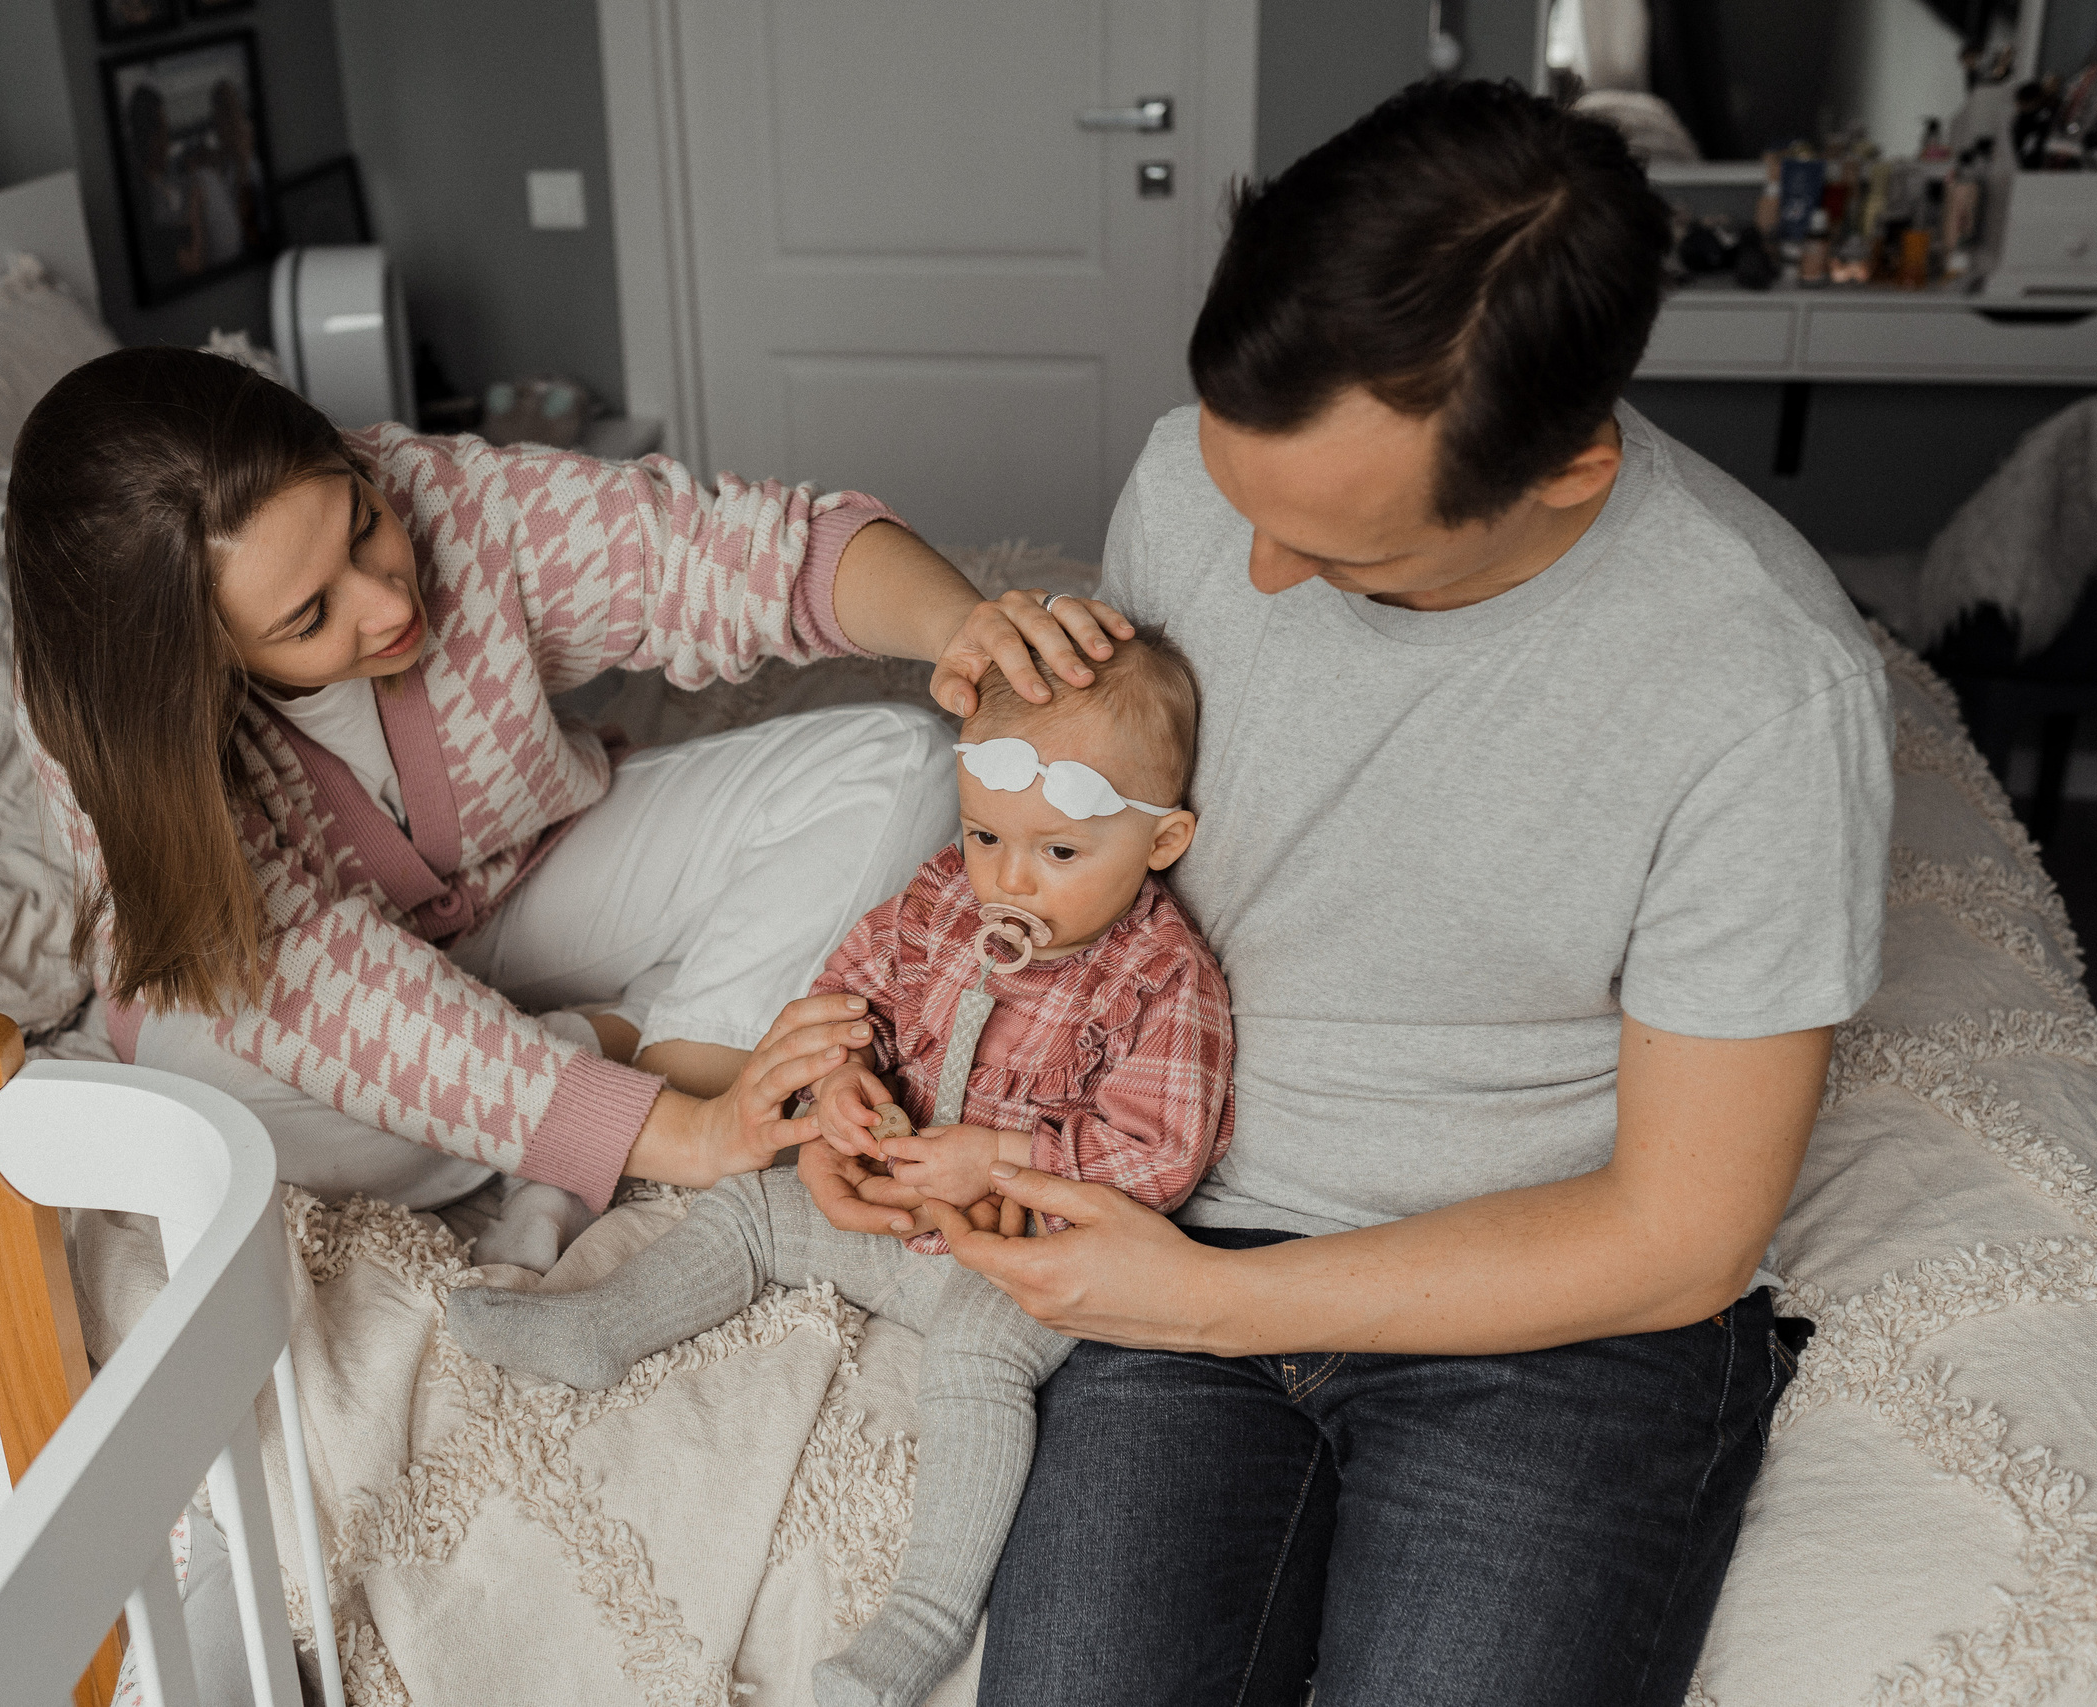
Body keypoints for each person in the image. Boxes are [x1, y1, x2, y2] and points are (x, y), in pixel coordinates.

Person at [797, 80, 1893, 1705]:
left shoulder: (1764, 686)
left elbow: (1680, 1233)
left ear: (1572, 469)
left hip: (1556, 1322)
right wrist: (872, 1084)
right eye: (1242, 505)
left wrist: (1220, 1301)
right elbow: (1076, 855)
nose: (1255, 579)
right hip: (1178, 1220)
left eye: (1350, 560)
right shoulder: (1187, 484)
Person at [5, 346, 1134, 1266]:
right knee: (205, 1089)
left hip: (533, 881)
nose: (386, 595)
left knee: (896, 761)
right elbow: (327, 1002)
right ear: (195, 662)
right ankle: (631, 1068)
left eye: (360, 526)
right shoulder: (113, 737)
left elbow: (724, 557)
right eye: (309, 618)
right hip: (298, 999)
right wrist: (690, 1136)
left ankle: (628, 1056)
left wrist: (958, 627)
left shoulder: (445, 499)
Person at [446, 631, 1233, 1707]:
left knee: (975, 1366)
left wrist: (999, 1158)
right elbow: (846, 994)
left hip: (1018, 1256)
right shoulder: (944, 898)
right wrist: (842, 1088)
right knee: (745, 1213)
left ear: (1160, 840)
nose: (1007, 874)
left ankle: (921, 1617)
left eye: (1058, 853)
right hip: (883, 1210)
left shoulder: (1160, 974)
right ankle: (598, 1328)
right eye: (984, 831)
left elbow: (1161, 1150)